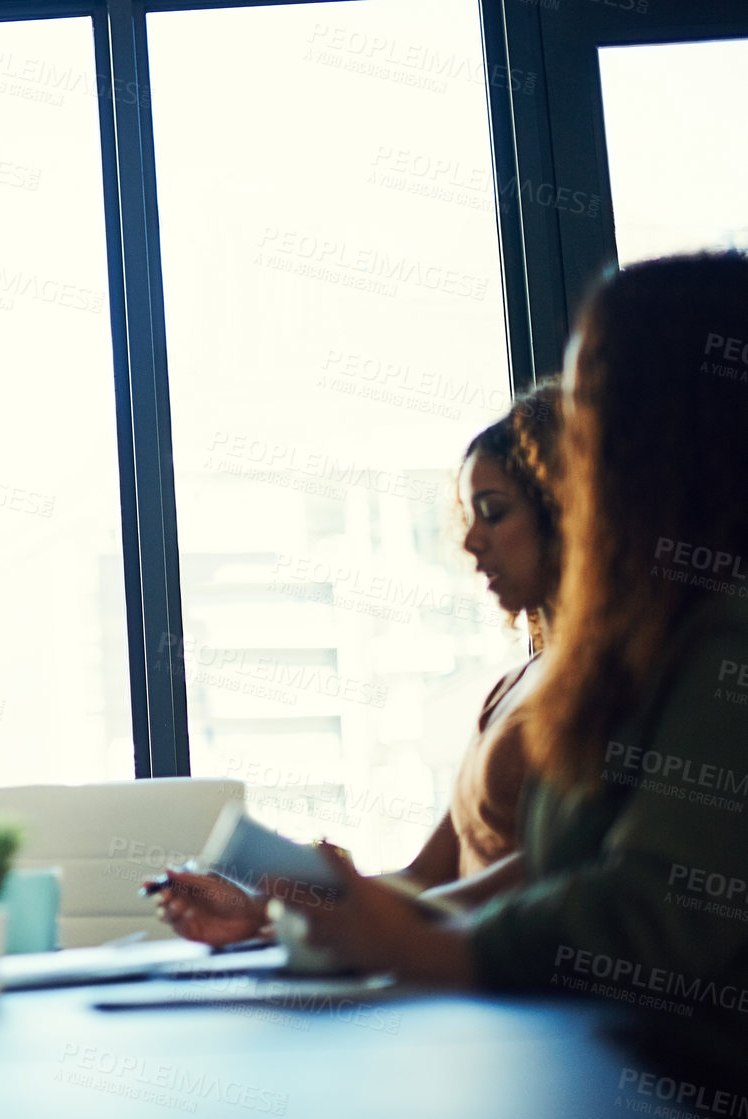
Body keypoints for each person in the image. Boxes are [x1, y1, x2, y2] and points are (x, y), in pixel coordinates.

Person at [294, 253, 748, 1051]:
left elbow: (651, 911)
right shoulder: (636, 658)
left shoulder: (726, 641)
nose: (569, 440)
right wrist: (332, 912)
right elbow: (515, 878)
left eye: (587, 403)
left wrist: (410, 942)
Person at [157, 380, 564, 946]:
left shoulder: (607, 685)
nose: (470, 541)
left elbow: (532, 886)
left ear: (566, 511)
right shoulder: (511, 687)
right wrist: (264, 911)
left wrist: (308, 919)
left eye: (494, 513)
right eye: (469, 516)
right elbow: (424, 879)